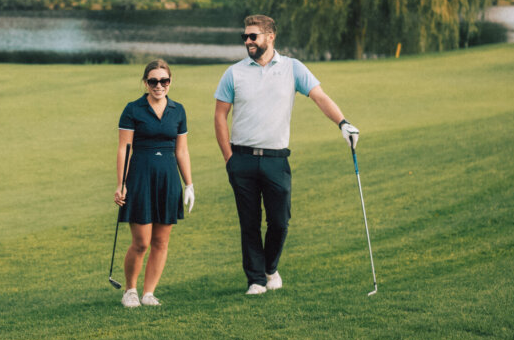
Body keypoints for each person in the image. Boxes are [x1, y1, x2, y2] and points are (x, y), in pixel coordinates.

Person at [213, 15, 359, 295]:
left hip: (276, 159)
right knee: (249, 223)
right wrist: (229, 158)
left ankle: (270, 269)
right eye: (245, 36)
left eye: (253, 36)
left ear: (270, 37)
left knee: (279, 221)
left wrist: (343, 123)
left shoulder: (293, 68)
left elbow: (320, 97)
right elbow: (220, 116)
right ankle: (255, 280)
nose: (247, 41)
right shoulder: (234, 73)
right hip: (241, 158)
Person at [115, 59, 195, 307]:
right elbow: (124, 149)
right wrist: (121, 184)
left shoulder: (178, 110)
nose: (159, 85)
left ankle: (148, 293)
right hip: (140, 178)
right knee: (141, 242)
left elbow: (182, 151)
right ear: (145, 82)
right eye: (153, 81)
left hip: (168, 179)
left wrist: (189, 184)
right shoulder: (133, 109)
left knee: (161, 241)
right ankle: (130, 290)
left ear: (170, 82)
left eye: (164, 81)